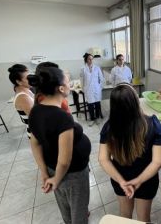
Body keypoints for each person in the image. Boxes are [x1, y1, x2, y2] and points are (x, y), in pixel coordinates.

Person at [28, 65, 91, 224]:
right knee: (79, 213)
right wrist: (56, 179)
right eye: (68, 80)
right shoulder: (62, 118)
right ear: (61, 88)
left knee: (66, 209)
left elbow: (34, 144)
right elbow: (64, 160)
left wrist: (45, 172)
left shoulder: (35, 110)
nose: (70, 83)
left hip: (52, 169)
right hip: (72, 174)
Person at [98, 83, 161, 222]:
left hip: (120, 178)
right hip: (147, 179)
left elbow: (103, 159)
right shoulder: (153, 124)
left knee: (125, 216)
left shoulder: (109, 127)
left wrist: (122, 182)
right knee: (143, 219)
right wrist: (138, 181)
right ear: (135, 101)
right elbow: (158, 161)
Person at [8, 64, 34, 138]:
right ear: (19, 82)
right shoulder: (23, 97)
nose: (31, 79)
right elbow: (37, 119)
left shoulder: (27, 90)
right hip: (36, 133)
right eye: (28, 78)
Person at [80, 53, 104, 126]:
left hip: (97, 89)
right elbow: (82, 80)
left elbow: (102, 79)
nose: (91, 60)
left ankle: (97, 117)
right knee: (90, 104)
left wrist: (100, 87)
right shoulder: (83, 69)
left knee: (97, 104)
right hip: (88, 89)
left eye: (92, 59)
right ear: (86, 60)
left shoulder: (97, 68)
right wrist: (84, 89)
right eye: (89, 59)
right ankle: (92, 119)